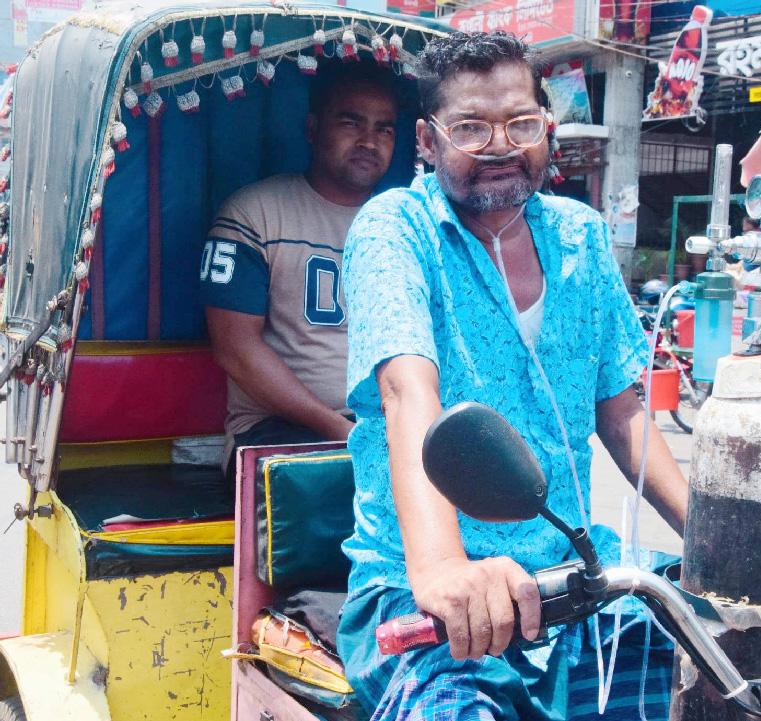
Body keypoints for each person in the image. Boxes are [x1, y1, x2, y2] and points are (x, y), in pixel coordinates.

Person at [338, 31, 689, 720]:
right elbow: (409, 391)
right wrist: (442, 569)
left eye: (520, 123)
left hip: (576, 575)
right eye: (470, 126)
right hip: (424, 597)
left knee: (753, 660)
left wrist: (718, 535)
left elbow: (621, 412)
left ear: (547, 129)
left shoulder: (582, 237)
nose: (499, 144)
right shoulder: (395, 230)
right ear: (428, 140)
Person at [200, 59, 399, 477]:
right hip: (279, 432)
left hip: (387, 424)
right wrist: (343, 432)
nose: (369, 140)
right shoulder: (255, 212)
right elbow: (235, 350)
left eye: (384, 128)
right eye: (352, 123)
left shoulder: (404, 224)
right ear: (313, 130)